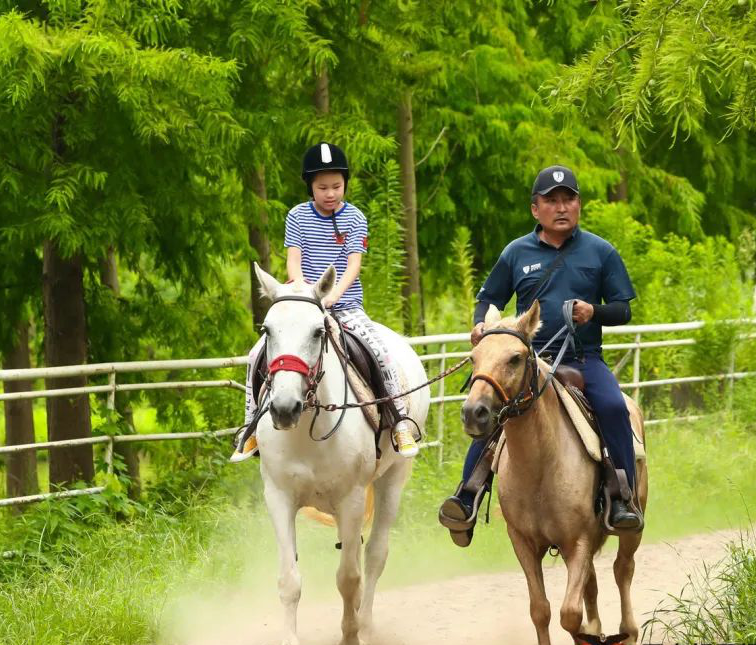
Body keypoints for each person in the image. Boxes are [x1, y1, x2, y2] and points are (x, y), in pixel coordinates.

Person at [437, 165, 642, 540]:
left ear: (579, 204)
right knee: (487, 407)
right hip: (525, 362)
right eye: (552, 201)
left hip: (583, 359)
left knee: (614, 407)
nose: (561, 207)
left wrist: (593, 311)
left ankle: (622, 497)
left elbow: (623, 309)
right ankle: (468, 497)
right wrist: (482, 325)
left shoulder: (601, 252)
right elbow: (488, 299)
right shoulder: (516, 253)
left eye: (569, 199)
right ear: (536, 209)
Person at [231, 142, 419, 461]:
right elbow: (294, 262)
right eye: (322, 187)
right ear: (310, 187)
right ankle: (250, 428)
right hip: (305, 306)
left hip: (346, 307)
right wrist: (306, 295)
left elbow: (353, 265)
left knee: (381, 352)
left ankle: (399, 420)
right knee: (255, 355)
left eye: (336, 186)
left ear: (345, 183)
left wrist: (332, 296)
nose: (330, 193)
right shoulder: (297, 217)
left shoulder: (356, 217)